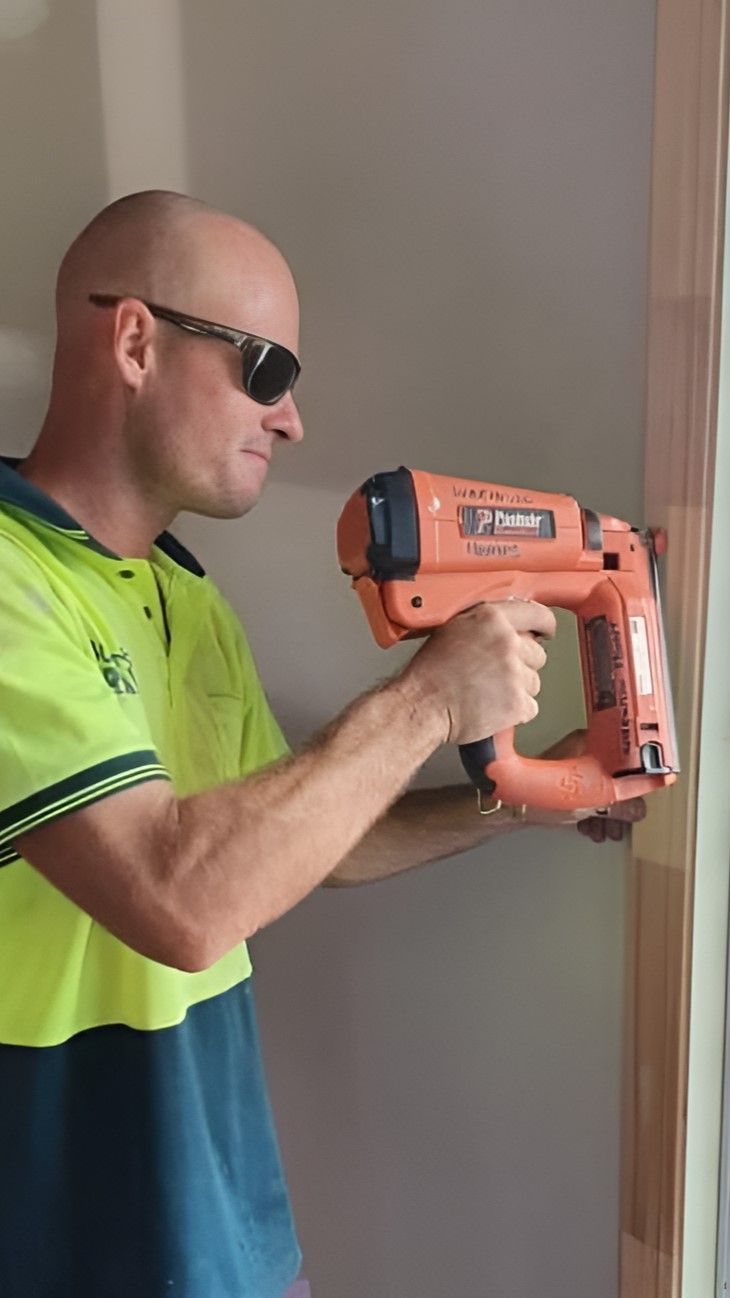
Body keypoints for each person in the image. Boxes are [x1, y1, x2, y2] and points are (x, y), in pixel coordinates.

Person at [0, 190, 643, 1298]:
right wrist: (427, 701)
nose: (291, 419)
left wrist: (528, 794)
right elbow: (181, 900)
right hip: (69, 1244)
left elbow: (306, 843)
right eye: (265, 370)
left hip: (227, 1233)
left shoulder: (186, 599)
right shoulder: (13, 587)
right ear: (136, 342)